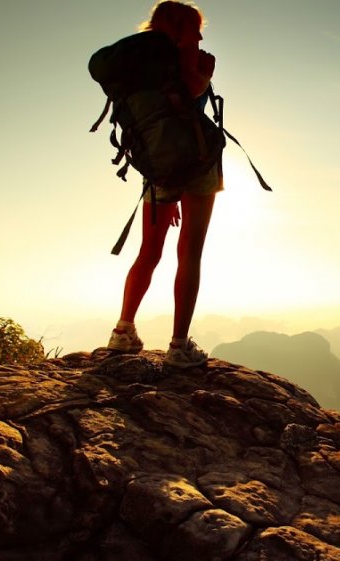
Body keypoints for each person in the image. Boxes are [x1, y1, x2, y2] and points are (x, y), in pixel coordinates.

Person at [106, 0, 220, 367]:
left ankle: (123, 331)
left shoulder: (137, 63)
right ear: (181, 27)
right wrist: (204, 70)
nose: (200, 35)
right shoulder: (183, 54)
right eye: (195, 27)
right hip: (197, 164)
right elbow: (192, 90)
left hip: (157, 169)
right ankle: (179, 346)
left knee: (148, 252)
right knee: (190, 252)